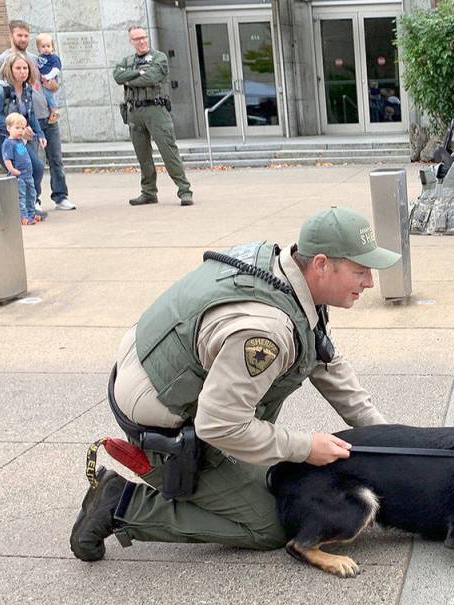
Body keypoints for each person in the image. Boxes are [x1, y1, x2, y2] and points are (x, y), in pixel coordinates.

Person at [70, 207, 400, 561]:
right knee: (273, 524)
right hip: (167, 423)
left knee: (284, 480)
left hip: (170, 383)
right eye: (360, 271)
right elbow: (219, 423)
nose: (369, 282)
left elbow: (326, 361)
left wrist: (392, 440)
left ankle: (224, 471)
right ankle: (119, 505)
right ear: (321, 263)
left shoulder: (288, 275)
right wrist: (306, 446)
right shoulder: (265, 330)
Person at [0, 20, 74, 212]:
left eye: (26, 35)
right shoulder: (2, 61)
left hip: (46, 116)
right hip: (24, 123)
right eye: (19, 35)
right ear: (11, 36)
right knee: (30, 163)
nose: (23, 39)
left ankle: (60, 196)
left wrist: (51, 85)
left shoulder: (37, 59)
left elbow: (52, 85)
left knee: (56, 159)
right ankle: (33, 198)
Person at [113, 26, 193, 206]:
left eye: (143, 37)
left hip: (156, 110)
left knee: (168, 152)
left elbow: (151, 78)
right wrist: (135, 73)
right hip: (134, 112)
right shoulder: (127, 60)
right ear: (131, 41)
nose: (141, 41)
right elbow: (117, 75)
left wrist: (129, 80)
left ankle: (184, 190)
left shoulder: (159, 58)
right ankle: (148, 192)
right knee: (143, 155)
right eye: (136, 39)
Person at [0, 52, 46, 221]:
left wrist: (39, 134)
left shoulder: (27, 89)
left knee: (35, 167)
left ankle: (29, 205)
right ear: (9, 69)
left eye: (25, 68)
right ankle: (17, 209)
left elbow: (30, 114)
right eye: (18, 68)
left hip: (15, 136)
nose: (22, 71)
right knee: (17, 170)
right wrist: (16, 129)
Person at [1, 112, 40, 225]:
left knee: (31, 194)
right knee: (21, 196)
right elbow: (7, 159)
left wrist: (29, 133)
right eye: (17, 128)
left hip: (28, 175)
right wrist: (12, 170)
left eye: (22, 128)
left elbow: (28, 137)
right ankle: (23, 216)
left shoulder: (20, 141)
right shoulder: (8, 143)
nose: (20, 131)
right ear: (8, 128)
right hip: (19, 175)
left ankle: (31, 213)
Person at [35, 33, 62, 124]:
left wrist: (48, 77)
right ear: (38, 48)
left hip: (50, 80)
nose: (46, 48)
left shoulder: (53, 58)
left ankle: (54, 111)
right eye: (43, 46)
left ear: (52, 47)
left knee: (48, 95)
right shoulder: (39, 58)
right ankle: (50, 111)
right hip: (42, 81)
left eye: (48, 46)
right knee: (44, 96)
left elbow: (56, 69)